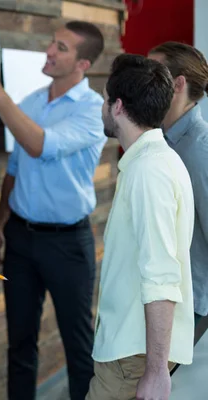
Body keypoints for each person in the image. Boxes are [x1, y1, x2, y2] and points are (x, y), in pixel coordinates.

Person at [0, 21, 106, 400]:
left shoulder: (91, 110)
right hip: (21, 240)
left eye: (61, 47)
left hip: (68, 245)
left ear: (82, 64)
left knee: (79, 349)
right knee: (20, 345)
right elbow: (15, 170)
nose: (49, 50)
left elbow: (39, 146)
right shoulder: (31, 102)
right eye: (52, 42)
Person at [87, 54, 194, 400]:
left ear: (117, 106)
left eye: (105, 99)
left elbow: (161, 276)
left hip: (132, 358)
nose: (102, 107)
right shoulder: (149, 162)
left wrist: (156, 370)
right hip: (131, 351)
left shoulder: (150, 172)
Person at [148, 41, 208, 326]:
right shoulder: (160, 138)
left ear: (177, 84)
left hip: (188, 304)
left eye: (152, 74)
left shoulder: (200, 148)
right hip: (161, 299)